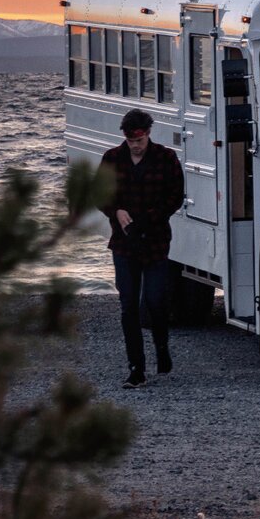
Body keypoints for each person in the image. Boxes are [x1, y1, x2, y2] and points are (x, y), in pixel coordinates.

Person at [99, 108, 185, 388]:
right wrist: (116, 211)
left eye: (139, 140)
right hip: (124, 243)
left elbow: (176, 196)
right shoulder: (112, 159)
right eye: (130, 140)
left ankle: (161, 346)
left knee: (156, 302)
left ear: (148, 134)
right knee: (128, 307)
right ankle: (136, 369)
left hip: (156, 240)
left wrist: (148, 218)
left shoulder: (166, 157)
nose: (135, 146)